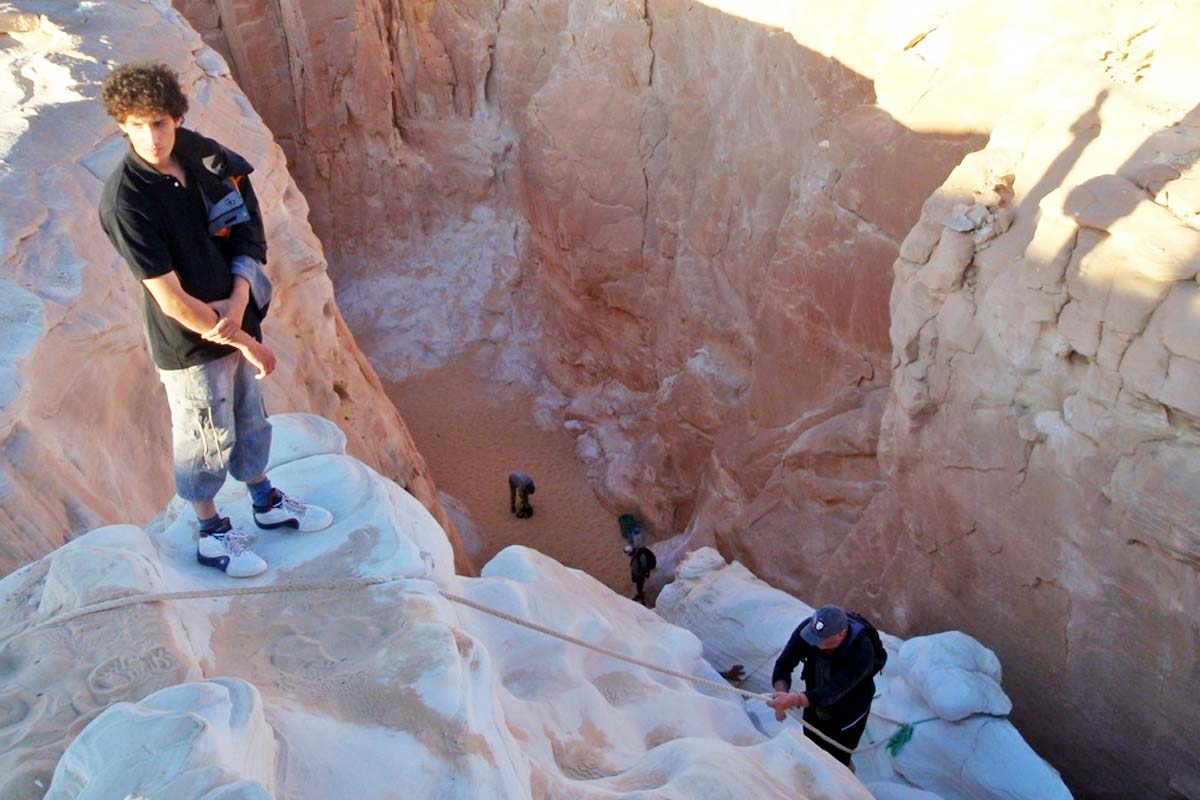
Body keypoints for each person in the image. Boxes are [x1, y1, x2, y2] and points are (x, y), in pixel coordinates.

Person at [98, 62, 331, 578]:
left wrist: (240, 296)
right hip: (189, 344)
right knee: (205, 435)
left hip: (234, 311)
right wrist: (246, 341)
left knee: (250, 417)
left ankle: (265, 501)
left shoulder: (205, 158)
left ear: (176, 117)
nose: (151, 136)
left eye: (158, 122)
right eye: (136, 124)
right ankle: (210, 533)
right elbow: (171, 300)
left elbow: (248, 228)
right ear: (121, 125)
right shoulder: (126, 201)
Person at [767, 604, 880, 766]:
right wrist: (782, 693)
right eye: (813, 636)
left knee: (837, 759)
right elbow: (784, 664)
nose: (813, 642)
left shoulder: (862, 650)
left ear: (841, 634)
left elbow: (832, 691)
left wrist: (795, 700)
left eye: (821, 639)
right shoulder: (809, 631)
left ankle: (843, 781)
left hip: (849, 711)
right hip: (814, 700)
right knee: (811, 747)